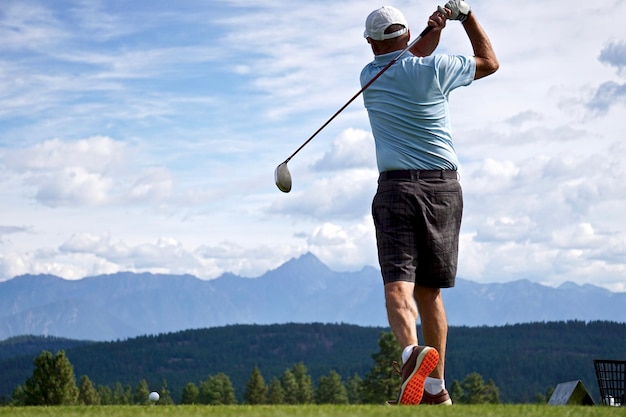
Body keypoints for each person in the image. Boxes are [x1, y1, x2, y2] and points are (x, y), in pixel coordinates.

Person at [361, 1, 498, 405]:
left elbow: (405, 57)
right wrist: (464, 17)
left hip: (397, 190)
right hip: (444, 190)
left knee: (397, 285)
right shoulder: (436, 70)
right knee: (430, 293)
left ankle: (409, 354)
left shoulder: (369, 76)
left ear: (370, 44)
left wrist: (432, 31)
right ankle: (437, 390)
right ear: (406, 34)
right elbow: (489, 62)